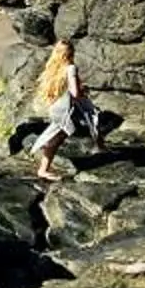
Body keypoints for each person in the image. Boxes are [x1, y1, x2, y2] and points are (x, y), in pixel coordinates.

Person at [29, 38, 90, 184]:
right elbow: (75, 93)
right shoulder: (70, 68)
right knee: (56, 138)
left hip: (55, 107)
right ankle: (43, 168)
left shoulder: (53, 68)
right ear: (71, 53)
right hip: (64, 110)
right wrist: (83, 90)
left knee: (58, 135)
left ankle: (44, 164)